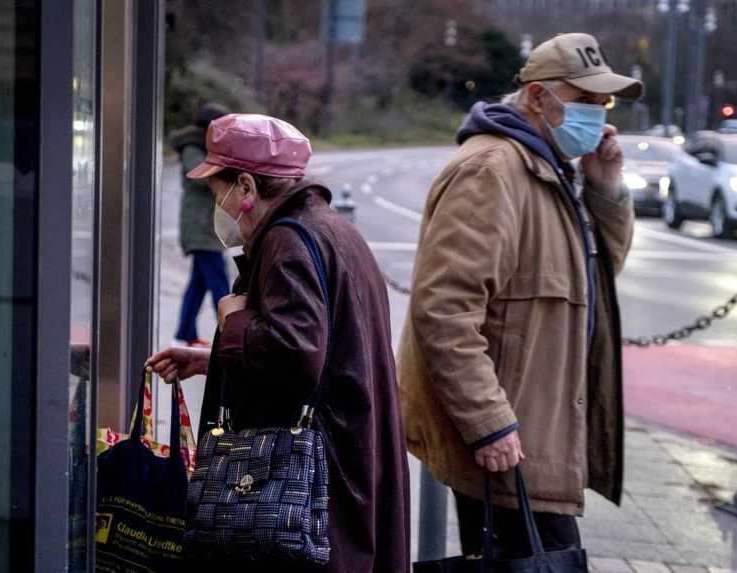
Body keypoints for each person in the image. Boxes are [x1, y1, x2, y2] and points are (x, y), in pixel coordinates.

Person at [397, 33, 643, 557]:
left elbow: (593, 280)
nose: (599, 116)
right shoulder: (492, 172)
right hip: (509, 442)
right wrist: (489, 425)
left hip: (537, 434)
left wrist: (606, 188)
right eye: (586, 102)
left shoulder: (549, 169)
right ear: (537, 97)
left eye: (605, 104)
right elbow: (443, 310)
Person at [147, 114, 410, 572]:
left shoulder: (287, 241)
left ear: (246, 188)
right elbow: (326, 348)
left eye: (218, 194)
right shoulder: (330, 228)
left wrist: (234, 322)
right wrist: (214, 359)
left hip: (312, 483)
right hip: (349, 458)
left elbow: (293, 357)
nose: (220, 209)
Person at [169, 102, 232, 347]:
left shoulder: (203, 147)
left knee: (198, 285)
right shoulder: (193, 147)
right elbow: (199, 177)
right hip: (201, 228)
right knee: (219, 282)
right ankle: (229, 334)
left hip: (207, 227)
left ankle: (187, 332)